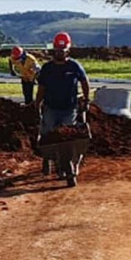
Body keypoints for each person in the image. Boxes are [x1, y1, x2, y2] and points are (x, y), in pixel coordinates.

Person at [35, 32, 90, 175]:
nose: (60, 53)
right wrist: (37, 104)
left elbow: (84, 82)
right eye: (57, 51)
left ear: (68, 51)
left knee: (66, 137)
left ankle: (66, 163)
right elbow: (42, 88)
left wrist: (86, 99)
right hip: (51, 107)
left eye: (63, 51)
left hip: (69, 108)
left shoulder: (74, 67)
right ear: (54, 50)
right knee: (48, 135)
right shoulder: (47, 68)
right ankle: (47, 159)